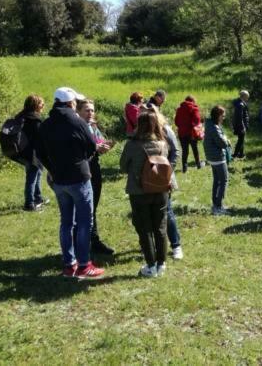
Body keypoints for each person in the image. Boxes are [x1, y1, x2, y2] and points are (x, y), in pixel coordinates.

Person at [35, 87, 104, 279]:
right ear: (70, 103)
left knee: (66, 223)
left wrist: (52, 168)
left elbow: (39, 152)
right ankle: (84, 265)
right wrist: (81, 159)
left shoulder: (46, 124)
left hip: (58, 179)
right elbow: (91, 145)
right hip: (79, 178)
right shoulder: (76, 121)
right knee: (84, 222)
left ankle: (69, 264)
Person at [120, 111, 174, 277]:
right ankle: (161, 263)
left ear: (139, 125)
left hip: (139, 191)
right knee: (160, 227)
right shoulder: (163, 144)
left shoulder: (132, 145)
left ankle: (150, 266)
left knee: (144, 228)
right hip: (161, 190)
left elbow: (123, 167)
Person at [76, 99, 115, 255]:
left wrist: (104, 145)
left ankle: (94, 241)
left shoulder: (92, 126)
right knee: (84, 208)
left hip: (94, 167)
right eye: (87, 110)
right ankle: (83, 243)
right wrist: (95, 147)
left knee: (93, 207)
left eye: (92, 110)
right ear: (78, 111)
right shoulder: (76, 126)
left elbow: (98, 141)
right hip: (82, 170)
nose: (90, 113)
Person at [148, 105, 183, 260]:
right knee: (150, 213)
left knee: (166, 211)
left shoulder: (166, 129)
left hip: (164, 178)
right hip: (147, 180)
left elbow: (176, 151)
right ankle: (155, 245)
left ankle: (176, 245)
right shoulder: (141, 132)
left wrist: (168, 170)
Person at [16, 94, 49, 212]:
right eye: (41, 103)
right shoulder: (34, 119)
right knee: (32, 177)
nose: (43, 105)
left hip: (23, 152)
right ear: (35, 105)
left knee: (38, 173)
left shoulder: (21, 116)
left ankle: (38, 198)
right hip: (32, 153)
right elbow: (40, 137)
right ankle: (29, 204)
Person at [204, 106, 230, 215]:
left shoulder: (209, 124)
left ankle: (215, 204)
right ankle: (218, 207)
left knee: (217, 181)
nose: (223, 118)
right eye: (223, 116)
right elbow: (222, 143)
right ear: (218, 116)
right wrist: (227, 140)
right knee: (223, 180)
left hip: (212, 157)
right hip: (217, 158)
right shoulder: (214, 127)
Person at [174, 95, 203, 172]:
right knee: (195, 149)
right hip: (191, 133)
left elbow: (176, 122)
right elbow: (197, 120)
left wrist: (182, 126)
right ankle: (198, 164)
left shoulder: (179, 109)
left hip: (182, 133)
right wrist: (193, 126)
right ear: (193, 101)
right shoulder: (194, 108)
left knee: (185, 150)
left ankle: (184, 168)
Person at [232, 90, 250, 159]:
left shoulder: (240, 103)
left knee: (241, 139)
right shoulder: (240, 104)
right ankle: (235, 155)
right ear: (244, 96)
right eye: (247, 97)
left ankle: (241, 154)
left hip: (240, 125)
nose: (247, 98)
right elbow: (240, 117)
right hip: (240, 125)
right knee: (240, 140)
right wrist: (243, 127)